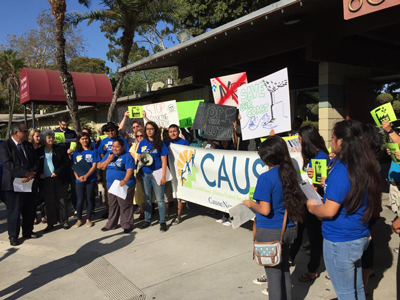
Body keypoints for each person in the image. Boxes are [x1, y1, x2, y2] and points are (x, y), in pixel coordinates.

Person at [306, 120, 381, 300]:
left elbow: (329, 211)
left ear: (341, 141)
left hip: (340, 240)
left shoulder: (342, 169)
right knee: (358, 289)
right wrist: (327, 182)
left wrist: (312, 207)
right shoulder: (364, 164)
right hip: (359, 235)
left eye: (332, 138)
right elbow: (349, 191)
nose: (330, 142)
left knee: (346, 294)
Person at [243, 136, 305, 299]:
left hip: (270, 231)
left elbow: (264, 210)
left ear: (265, 157)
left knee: (273, 276)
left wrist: (250, 204)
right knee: (283, 269)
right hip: (288, 228)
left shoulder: (265, 178)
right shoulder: (290, 173)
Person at [289, 125, 329, 282]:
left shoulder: (320, 157)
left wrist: (311, 179)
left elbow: (317, 185)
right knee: (300, 232)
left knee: (314, 236)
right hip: (308, 200)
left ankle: (313, 269)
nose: (298, 143)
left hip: (314, 202)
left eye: (299, 140)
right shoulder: (316, 155)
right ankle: (291, 257)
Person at [0, 123, 40, 246]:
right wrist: (25, 173)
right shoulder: (5, 146)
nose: (27, 133)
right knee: (14, 211)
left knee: (29, 209)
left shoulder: (28, 145)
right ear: (16, 132)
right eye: (25, 131)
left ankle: (28, 231)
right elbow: (8, 164)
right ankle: (13, 235)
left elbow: (36, 160)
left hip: (29, 182)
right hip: (13, 183)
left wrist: (32, 173)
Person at [36, 129, 71, 233]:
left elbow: (66, 162)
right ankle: (50, 223)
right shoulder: (38, 151)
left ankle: (64, 221)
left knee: (62, 200)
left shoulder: (60, 149)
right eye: (48, 137)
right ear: (44, 139)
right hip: (45, 180)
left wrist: (58, 172)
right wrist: (38, 174)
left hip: (59, 178)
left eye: (52, 137)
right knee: (49, 202)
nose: (51, 139)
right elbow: (35, 165)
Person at [137, 121, 169, 232]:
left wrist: (163, 175)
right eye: (147, 129)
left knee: (160, 200)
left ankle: (162, 221)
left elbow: (164, 161)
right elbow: (138, 157)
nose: (149, 131)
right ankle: (147, 219)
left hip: (157, 173)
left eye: (151, 129)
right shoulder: (142, 143)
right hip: (145, 174)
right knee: (147, 198)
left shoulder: (160, 143)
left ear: (155, 130)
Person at [99, 138, 136, 233]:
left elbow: (130, 170)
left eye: (117, 147)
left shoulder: (127, 156)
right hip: (111, 184)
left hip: (123, 184)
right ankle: (111, 224)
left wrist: (125, 180)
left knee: (124, 205)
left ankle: (127, 224)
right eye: (113, 147)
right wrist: (108, 159)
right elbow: (101, 166)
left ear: (123, 147)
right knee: (112, 205)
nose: (115, 149)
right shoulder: (109, 155)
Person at [97, 122, 129, 219]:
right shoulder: (103, 141)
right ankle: (109, 211)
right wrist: (105, 163)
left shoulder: (122, 140)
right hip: (108, 168)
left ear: (116, 130)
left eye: (112, 130)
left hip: (120, 168)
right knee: (109, 192)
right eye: (108, 131)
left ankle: (122, 212)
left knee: (121, 191)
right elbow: (101, 153)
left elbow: (127, 153)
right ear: (106, 132)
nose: (111, 132)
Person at [164, 124, 190, 225]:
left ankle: (178, 216)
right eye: (170, 132)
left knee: (180, 194)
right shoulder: (166, 143)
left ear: (178, 132)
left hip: (180, 172)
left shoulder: (184, 143)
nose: (173, 133)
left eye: (174, 131)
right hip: (169, 172)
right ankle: (166, 215)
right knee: (167, 194)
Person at [72, 132, 98, 228]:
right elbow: (74, 166)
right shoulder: (76, 152)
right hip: (79, 180)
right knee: (80, 200)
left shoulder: (93, 151)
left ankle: (88, 218)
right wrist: (77, 177)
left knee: (90, 199)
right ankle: (79, 219)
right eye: (82, 139)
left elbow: (94, 166)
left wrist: (86, 176)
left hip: (90, 179)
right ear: (79, 140)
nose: (84, 140)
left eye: (86, 138)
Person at [54, 115, 78, 212]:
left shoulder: (72, 133)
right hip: (59, 162)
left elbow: (76, 143)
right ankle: (60, 208)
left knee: (73, 184)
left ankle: (74, 205)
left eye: (67, 124)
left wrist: (72, 149)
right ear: (59, 123)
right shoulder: (54, 133)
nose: (65, 126)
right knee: (61, 186)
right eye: (63, 125)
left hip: (71, 160)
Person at [129, 128, 145, 218]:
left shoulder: (148, 144)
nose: (139, 137)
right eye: (137, 136)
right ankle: (142, 211)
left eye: (141, 135)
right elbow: (134, 159)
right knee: (140, 192)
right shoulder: (134, 146)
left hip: (149, 170)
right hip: (138, 170)